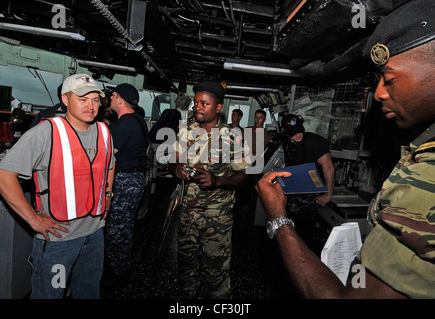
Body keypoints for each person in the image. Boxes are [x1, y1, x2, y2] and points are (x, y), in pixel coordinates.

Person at [255, 0, 435, 298]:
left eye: (389, 79)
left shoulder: (426, 177)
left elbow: (327, 166)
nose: (378, 93)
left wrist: (278, 216)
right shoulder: (419, 149)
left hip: (306, 201)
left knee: (308, 237)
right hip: (295, 194)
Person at [0, 73, 115, 299]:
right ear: (65, 100)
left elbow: (108, 165)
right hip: (60, 238)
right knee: (50, 294)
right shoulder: (46, 131)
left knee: (88, 292)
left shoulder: (104, 132)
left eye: (95, 100)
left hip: (94, 233)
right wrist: (34, 219)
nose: (91, 105)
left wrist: (107, 194)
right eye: (83, 99)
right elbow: (2, 176)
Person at [168, 80, 251, 298]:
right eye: (196, 103)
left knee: (217, 273)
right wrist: (176, 169)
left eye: (204, 104)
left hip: (217, 217)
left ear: (218, 107)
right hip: (187, 215)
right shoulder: (187, 132)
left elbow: (245, 177)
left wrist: (218, 181)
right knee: (186, 270)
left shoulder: (234, 137)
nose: (197, 107)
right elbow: (172, 159)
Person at [104, 83, 148, 281]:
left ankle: (117, 272)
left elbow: (107, 157)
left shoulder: (123, 125)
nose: (110, 99)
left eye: (113, 96)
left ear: (120, 99)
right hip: (135, 178)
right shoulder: (138, 120)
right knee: (125, 224)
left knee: (116, 228)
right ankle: (122, 265)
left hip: (123, 180)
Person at [280, 113, 335, 239]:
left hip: (310, 194)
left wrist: (328, 194)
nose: (298, 134)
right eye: (293, 133)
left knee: (303, 233)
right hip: (293, 192)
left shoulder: (314, 142)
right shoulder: (286, 143)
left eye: (300, 130)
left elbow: (328, 166)